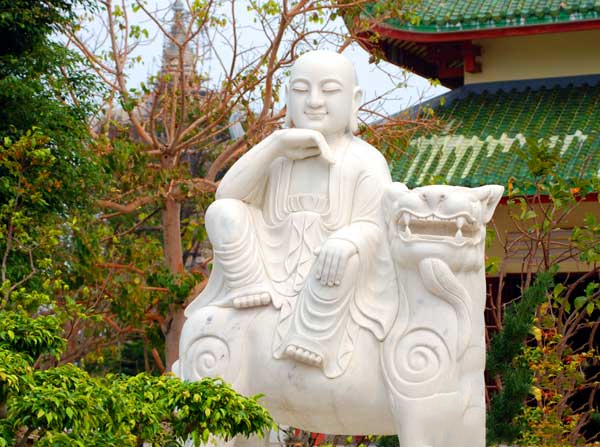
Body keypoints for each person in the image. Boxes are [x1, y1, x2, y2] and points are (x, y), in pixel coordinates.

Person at [186, 50, 399, 378]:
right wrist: (274, 145)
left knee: (346, 254)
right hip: (268, 267)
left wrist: (348, 240)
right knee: (223, 212)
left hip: (330, 276)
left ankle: (313, 333)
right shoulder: (278, 157)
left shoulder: (365, 160)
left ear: (354, 100)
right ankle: (249, 288)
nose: (313, 101)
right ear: (287, 96)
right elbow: (225, 195)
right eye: (301, 90)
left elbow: (375, 227)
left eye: (329, 90)